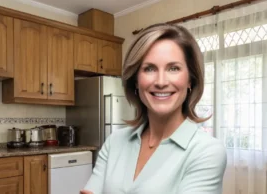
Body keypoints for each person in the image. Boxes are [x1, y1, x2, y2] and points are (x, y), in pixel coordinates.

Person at [80, 23, 227, 194]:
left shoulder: (207, 151)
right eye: (149, 68)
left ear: (190, 80)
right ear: (136, 81)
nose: (161, 82)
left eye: (173, 68)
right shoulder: (114, 142)